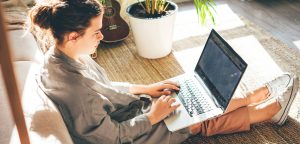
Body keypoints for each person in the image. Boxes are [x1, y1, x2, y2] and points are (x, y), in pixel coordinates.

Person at [28, 0, 299, 143]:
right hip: (128, 136)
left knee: (184, 101)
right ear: (74, 35)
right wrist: (154, 116)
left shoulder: (64, 56)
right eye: (96, 32)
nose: (101, 36)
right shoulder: (76, 89)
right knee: (193, 117)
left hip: (126, 114)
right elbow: (113, 137)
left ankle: (267, 109)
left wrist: (145, 89)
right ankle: (262, 104)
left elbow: (105, 88)